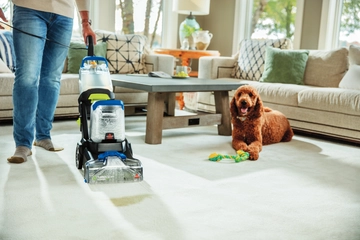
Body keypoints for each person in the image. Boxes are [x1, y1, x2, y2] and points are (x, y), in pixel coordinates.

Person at [3, 0, 97, 163]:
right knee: (27, 77)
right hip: (29, 8)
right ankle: (23, 144)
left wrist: (85, 22)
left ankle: (43, 136)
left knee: (52, 79)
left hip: (64, 15)